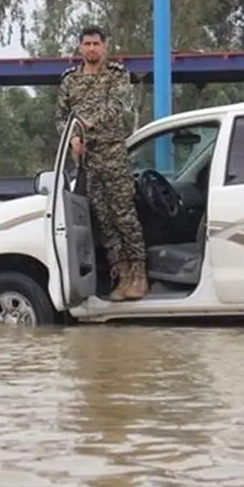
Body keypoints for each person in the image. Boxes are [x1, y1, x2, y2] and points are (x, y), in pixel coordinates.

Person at [54, 27, 147, 301]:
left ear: (104, 47)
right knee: (104, 220)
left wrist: (85, 124)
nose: (92, 48)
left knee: (124, 216)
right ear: (80, 48)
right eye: (87, 44)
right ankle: (121, 276)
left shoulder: (117, 75)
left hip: (113, 153)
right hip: (87, 159)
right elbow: (60, 117)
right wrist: (72, 138)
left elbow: (117, 106)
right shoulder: (70, 81)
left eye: (96, 43)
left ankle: (139, 274)